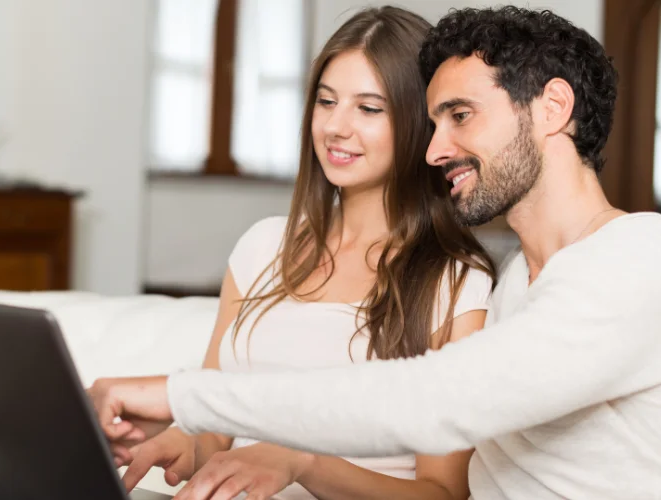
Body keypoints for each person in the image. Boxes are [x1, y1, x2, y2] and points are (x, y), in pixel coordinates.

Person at [91, 6, 661, 500]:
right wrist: (192, 436)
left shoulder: (639, 259)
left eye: (461, 116)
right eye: (433, 123)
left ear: (552, 108)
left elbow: (434, 400)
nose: (433, 150)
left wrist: (187, 396)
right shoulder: (520, 283)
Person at [115, 6, 497, 500]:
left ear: (420, 124)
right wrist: (181, 443)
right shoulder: (263, 247)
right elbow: (216, 433)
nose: (336, 126)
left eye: (368, 108)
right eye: (326, 101)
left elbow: (442, 492)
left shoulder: (455, 281)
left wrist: (303, 462)